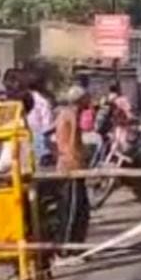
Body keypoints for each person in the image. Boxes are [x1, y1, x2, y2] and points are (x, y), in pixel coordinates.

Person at [54, 86, 91, 244]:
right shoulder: (71, 115)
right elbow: (72, 144)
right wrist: (80, 162)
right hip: (71, 166)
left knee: (81, 209)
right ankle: (67, 247)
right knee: (72, 210)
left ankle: (76, 245)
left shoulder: (68, 114)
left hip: (71, 164)